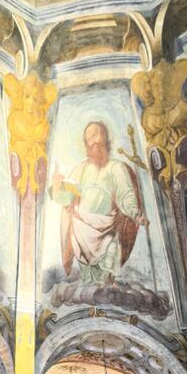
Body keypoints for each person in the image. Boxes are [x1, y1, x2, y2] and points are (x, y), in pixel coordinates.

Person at [49, 120, 148, 283]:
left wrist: (136, 215)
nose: (94, 140)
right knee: (89, 283)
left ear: (106, 140)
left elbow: (126, 195)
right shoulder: (79, 170)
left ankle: (107, 294)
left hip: (108, 232)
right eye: (90, 137)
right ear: (86, 144)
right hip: (81, 233)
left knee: (107, 278)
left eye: (97, 135)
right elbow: (65, 201)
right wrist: (57, 185)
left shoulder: (116, 168)